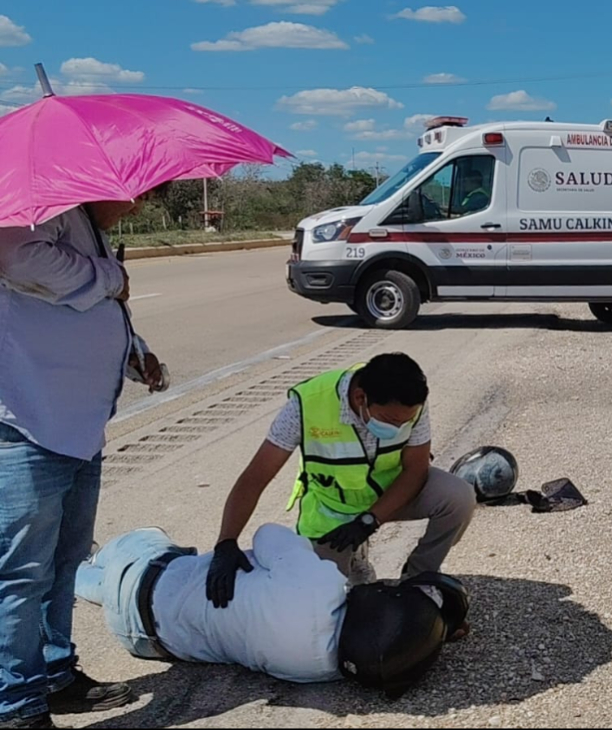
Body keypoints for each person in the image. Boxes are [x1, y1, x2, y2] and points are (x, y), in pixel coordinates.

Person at [0, 193, 172, 729]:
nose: (135, 209)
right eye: (135, 199)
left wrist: (132, 351)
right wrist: (110, 276)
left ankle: (55, 674)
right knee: (21, 575)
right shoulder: (30, 210)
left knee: (63, 564)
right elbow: (16, 258)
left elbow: (87, 306)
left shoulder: (80, 224)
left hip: (76, 427)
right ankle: (16, 705)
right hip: (29, 424)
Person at [206, 353, 477, 620]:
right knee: (320, 601)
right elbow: (255, 477)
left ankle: (419, 578)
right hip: (333, 513)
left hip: (392, 494)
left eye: (406, 421)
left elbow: (416, 469)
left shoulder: (409, 404)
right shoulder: (307, 405)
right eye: (392, 421)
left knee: (458, 497)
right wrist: (226, 542)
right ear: (361, 398)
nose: (401, 426)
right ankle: (353, 557)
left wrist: (369, 521)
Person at [75, 524, 466, 696]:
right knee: (103, 586)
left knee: (145, 541)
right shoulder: (318, 673)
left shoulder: (321, 586)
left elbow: (268, 533)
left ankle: (80, 563)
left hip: (149, 575)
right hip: (147, 643)